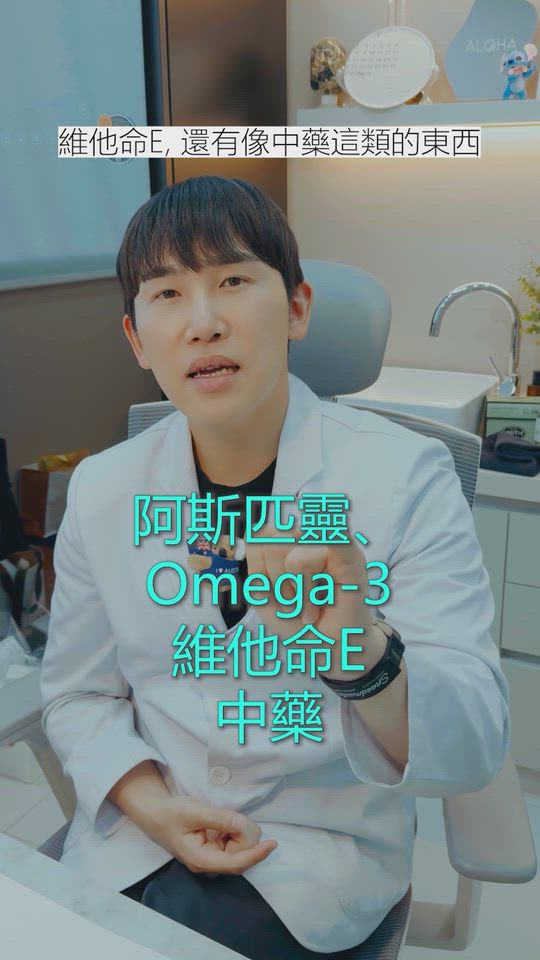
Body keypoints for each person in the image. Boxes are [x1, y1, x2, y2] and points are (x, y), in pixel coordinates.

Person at [40, 176, 510, 958]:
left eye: (232, 281)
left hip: (314, 855)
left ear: (296, 308)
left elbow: (471, 743)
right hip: (142, 838)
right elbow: (78, 693)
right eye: (167, 293)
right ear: (136, 339)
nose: (203, 322)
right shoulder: (103, 487)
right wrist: (150, 804)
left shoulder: (405, 477)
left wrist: (360, 653)